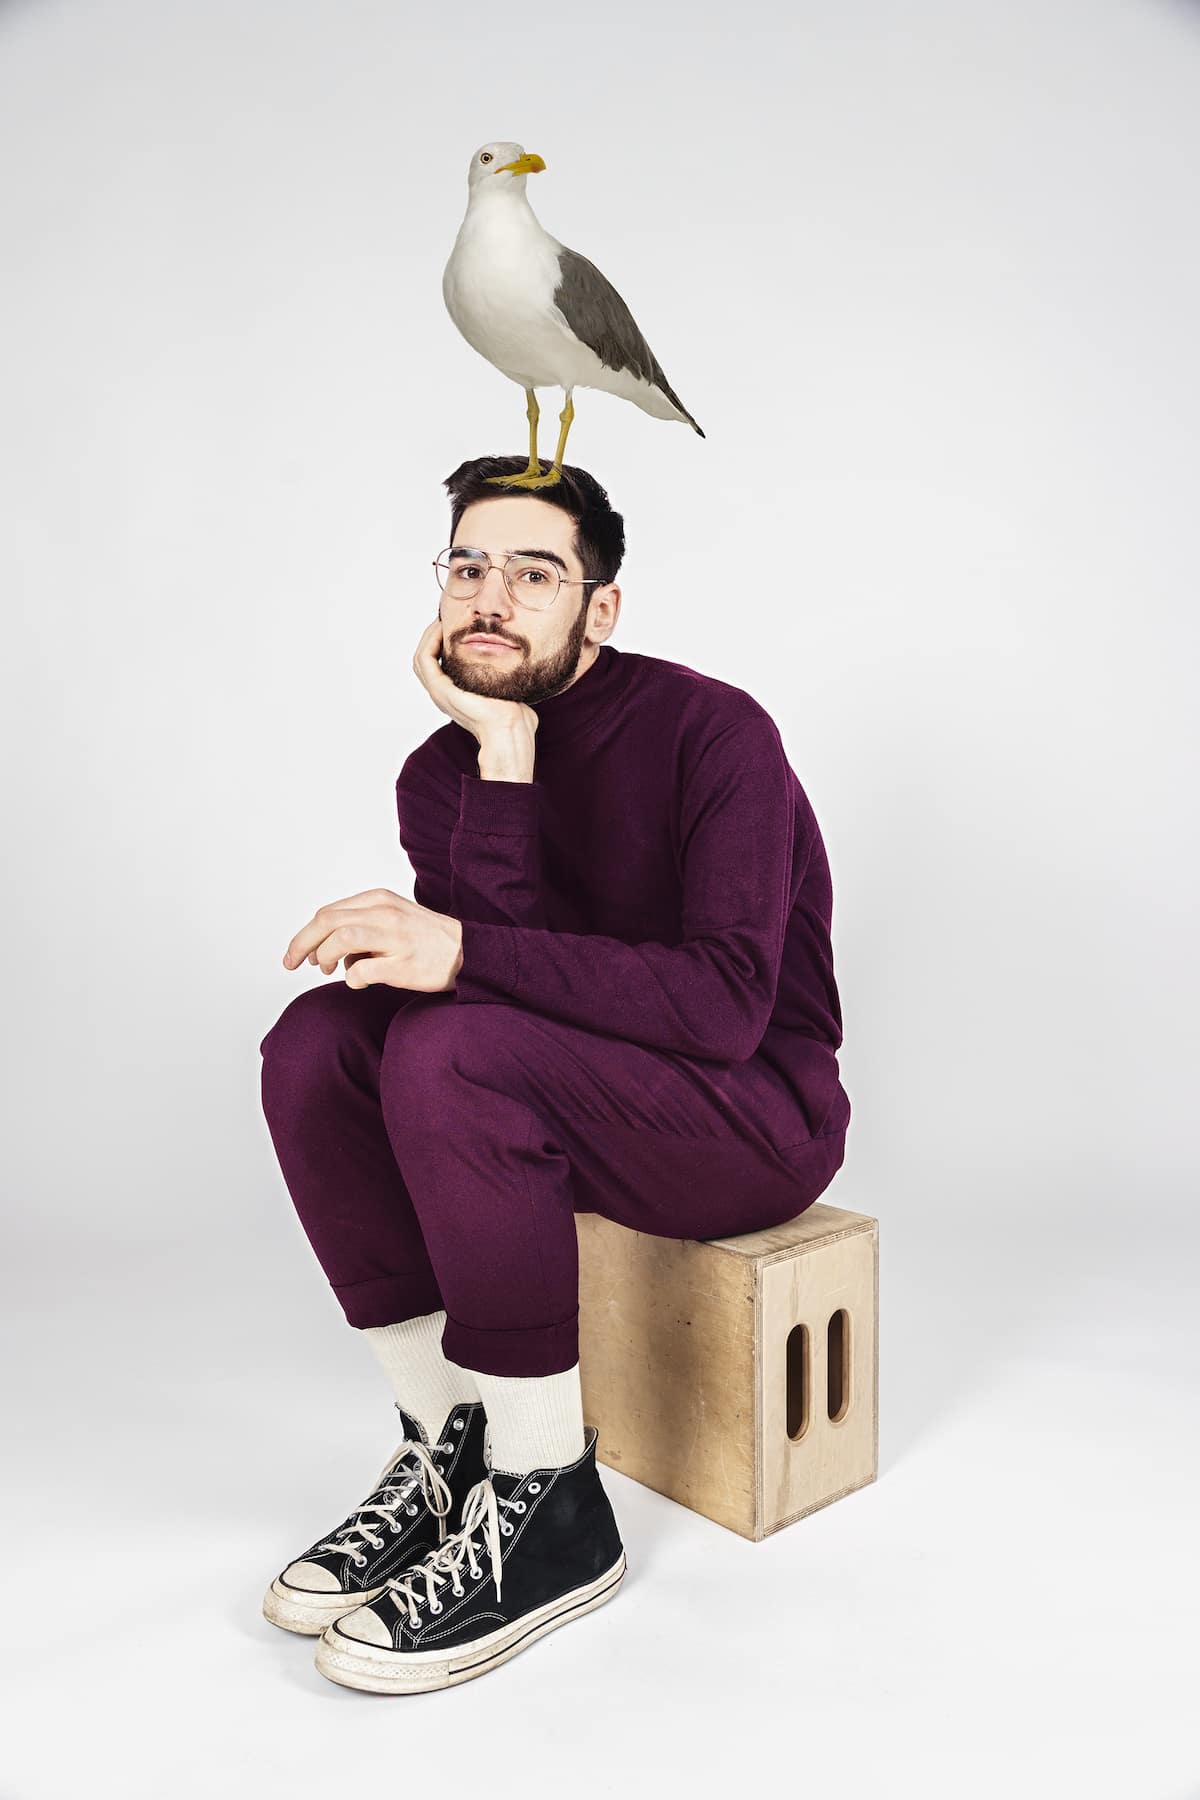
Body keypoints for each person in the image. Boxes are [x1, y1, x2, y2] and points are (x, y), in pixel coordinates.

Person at [257, 452, 853, 1694]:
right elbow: (482, 984)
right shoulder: (447, 770)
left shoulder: (713, 731)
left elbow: (725, 1008)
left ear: (601, 607)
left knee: (456, 1047)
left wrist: (463, 944)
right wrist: (505, 755)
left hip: (749, 1118)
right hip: (571, 1095)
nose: (492, 596)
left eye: (535, 573)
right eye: (469, 566)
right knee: (315, 1046)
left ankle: (552, 1506)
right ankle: (450, 1446)